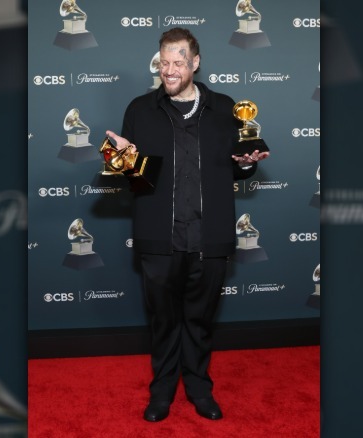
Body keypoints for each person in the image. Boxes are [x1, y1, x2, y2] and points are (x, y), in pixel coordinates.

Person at [105, 27, 269, 422]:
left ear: (195, 62)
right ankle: (162, 392)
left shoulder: (225, 108)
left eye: (178, 62)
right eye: (164, 62)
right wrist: (124, 160)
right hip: (159, 238)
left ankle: (198, 388)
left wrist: (246, 165)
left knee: (200, 321)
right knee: (164, 323)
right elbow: (136, 180)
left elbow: (236, 169)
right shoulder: (139, 110)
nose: (169, 69)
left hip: (209, 237)